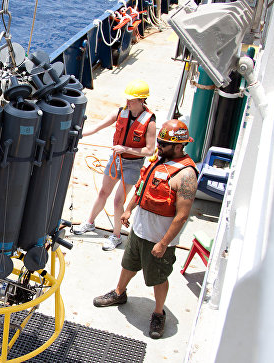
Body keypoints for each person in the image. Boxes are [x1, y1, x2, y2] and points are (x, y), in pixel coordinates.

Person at [91, 119, 198, 339]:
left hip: (158, 238)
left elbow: (182, 215)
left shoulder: (186, 176)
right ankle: (119, 293)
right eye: (159, 141)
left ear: (179, 147)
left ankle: (159, 313)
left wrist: (164, 243)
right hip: (139, 230)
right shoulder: (158, 161)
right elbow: (141, 188)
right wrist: (129, 209)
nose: (158, 146)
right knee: (128, 264)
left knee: (158, 277)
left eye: (163, 143)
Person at [73, 80, 156, 251]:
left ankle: (116, 235)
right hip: (116, 160)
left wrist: (125, 148)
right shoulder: (119, 113)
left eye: (132, 99)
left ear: (142, 100)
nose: (128, 102)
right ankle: (89, 222)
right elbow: (96, 127)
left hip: (132, 165)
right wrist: (77, 134)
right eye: (128, 98)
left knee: (118, 201)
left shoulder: (150, 121)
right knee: (103, 192)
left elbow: (149, 150)